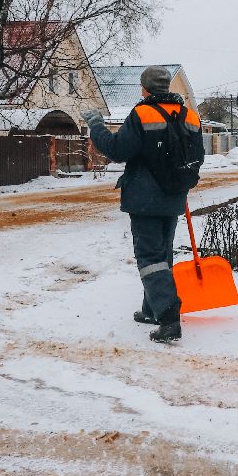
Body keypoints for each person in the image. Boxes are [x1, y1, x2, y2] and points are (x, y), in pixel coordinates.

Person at [83, 66, 204, 344]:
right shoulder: (190, 117)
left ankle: (168, 318)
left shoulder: (142, 113)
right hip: (174, 197)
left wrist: (96, 126)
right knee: (163, 254)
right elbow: (197, 158)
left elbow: (117, 150)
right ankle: (152, 309)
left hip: (145, 198)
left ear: (145, 89)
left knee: (150, 259)